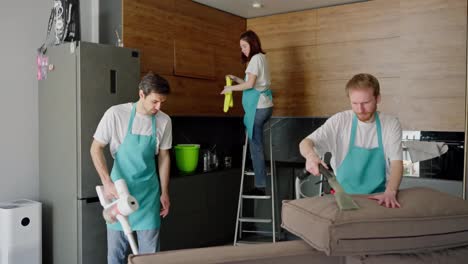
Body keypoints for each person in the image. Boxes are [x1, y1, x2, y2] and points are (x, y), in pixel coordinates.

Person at [90, 72, 172, 264]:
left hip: (149, 195)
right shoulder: (116, 114)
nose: (158, 107)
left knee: (150, 258)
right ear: (141, 94)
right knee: (116, 256)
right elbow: (95, 149)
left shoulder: (164, 121)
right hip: (120, 194)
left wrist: (165, 192)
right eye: (154, 102)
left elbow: (164, 157)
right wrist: (106, 182)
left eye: (162, 102)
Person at [299, 73, 403, 208]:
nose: (360, 110)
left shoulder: (390, 124)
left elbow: (397, 164)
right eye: (355, 103)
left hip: (379, 199)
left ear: (378, 98)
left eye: (366, 103)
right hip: (343, 198)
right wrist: (311, 156)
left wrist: (390, 192)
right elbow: (306, 142)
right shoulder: (340, 121)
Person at [222, 30, 273, 195]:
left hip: (259, 107)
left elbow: (250, 85)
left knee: (255, 143)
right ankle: (257, 165)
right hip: (265, 106)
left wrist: (230, 88)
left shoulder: (255, 59)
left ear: (252, 44)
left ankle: (260, 185)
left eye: (244, 46)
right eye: (241, 47)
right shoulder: (262, 59)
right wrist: (237, 80)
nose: (243, 50)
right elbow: (254, 83)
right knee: (254, 141)